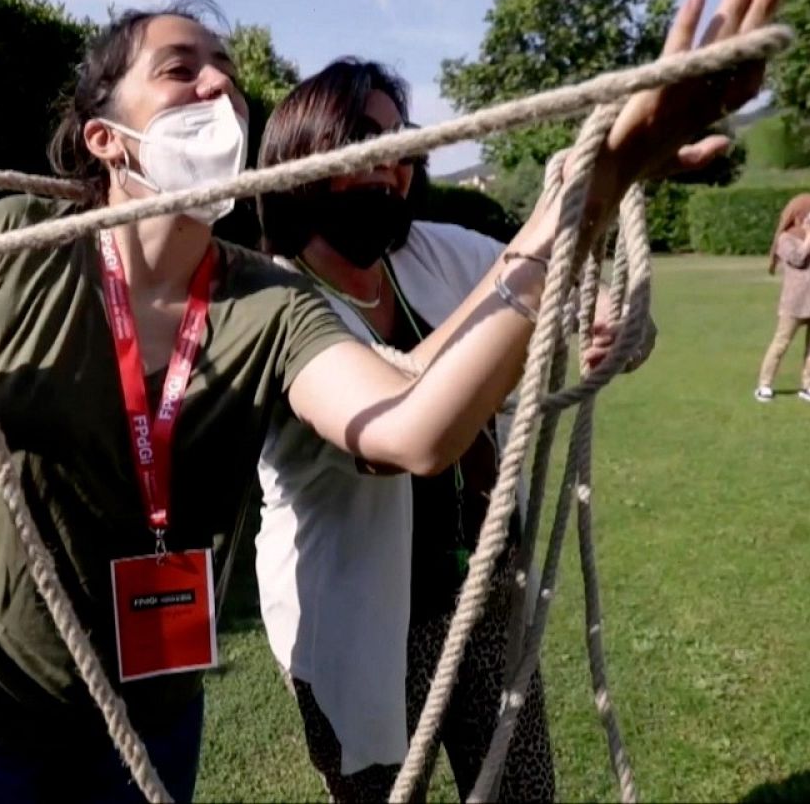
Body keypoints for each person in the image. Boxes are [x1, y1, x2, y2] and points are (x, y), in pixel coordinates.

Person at [0, 0, 789, 804]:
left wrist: (589, 195)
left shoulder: (266, 303)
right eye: (181, 69)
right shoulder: (17, 243)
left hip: (141, 720)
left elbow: (413, 425)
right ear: (107, 138)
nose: (217, 86)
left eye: (226, 72)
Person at [250, 59, 656, 802]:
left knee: (522, 793)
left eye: (402, 143)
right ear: (304, 152)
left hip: (488, 593)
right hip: (360, 625)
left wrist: (619, 320)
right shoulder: (271, 304)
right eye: (363, 138)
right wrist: (553, 217)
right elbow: (401, 422)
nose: (394, 162)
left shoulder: (438, 249)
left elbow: (558, 286)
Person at [754, 193, 810, 403]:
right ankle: (764, 385)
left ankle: (809, 384)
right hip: (797, 300)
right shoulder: (786, 237)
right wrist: (809, 235)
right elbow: (798, 258)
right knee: (781, 342)